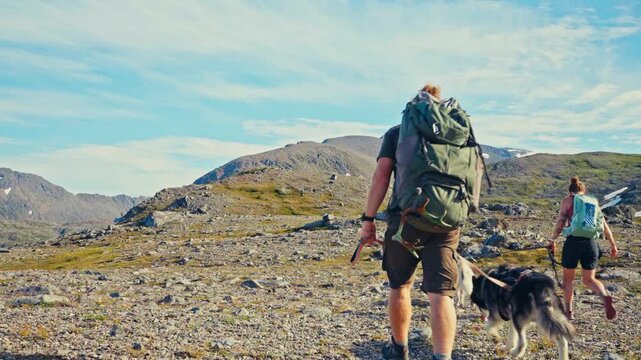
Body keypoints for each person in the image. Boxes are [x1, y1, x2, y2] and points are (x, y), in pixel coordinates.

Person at [360, 84, 459, 360]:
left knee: (400, 285)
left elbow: (381, 176)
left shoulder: (398, 133)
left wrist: (368, 220)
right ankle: (442, 356)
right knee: (441, 294)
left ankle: (399, 349)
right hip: (446, 222)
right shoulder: (455, 136)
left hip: (405, 220)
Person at [549, 176, 618, 320]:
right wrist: (613, 245)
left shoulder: (568, 201)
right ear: (584, 191)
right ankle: (605, 296)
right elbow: (605, 227)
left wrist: (553, 239)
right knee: (589, 279)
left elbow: (561, 220)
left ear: (570, 191)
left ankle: (569, 312)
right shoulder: (592, 203)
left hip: (573, 242)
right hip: (591, 243)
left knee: (568, 279)